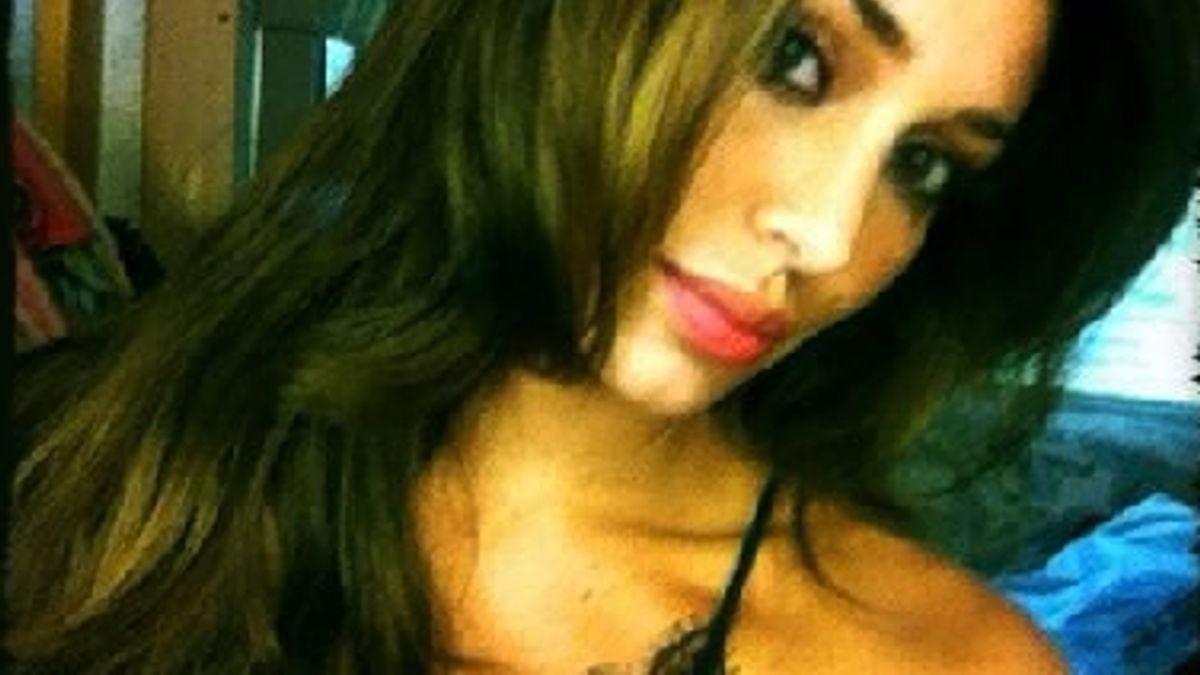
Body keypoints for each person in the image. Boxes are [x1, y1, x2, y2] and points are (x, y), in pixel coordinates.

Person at [6, 0, 1198, 672]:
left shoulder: (942, 660)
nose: (830, 233)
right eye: (792, 57)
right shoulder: (71, 466)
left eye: (924, 165)